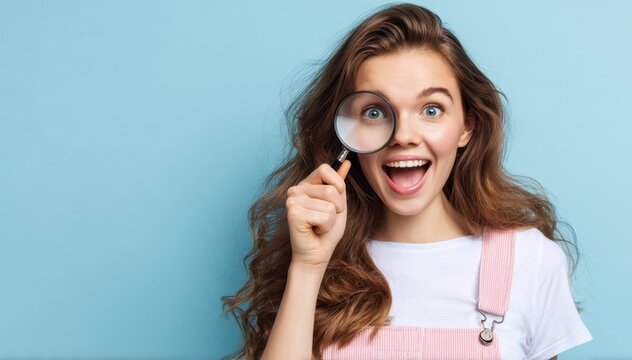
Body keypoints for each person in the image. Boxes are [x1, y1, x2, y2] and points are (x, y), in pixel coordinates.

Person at [222, 3, 593, 359]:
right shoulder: (320, 261)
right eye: (375, 112)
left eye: (431, 110)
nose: (402, 136)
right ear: (346, 134)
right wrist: (307, 267)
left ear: (467, 125)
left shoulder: (530, 260)